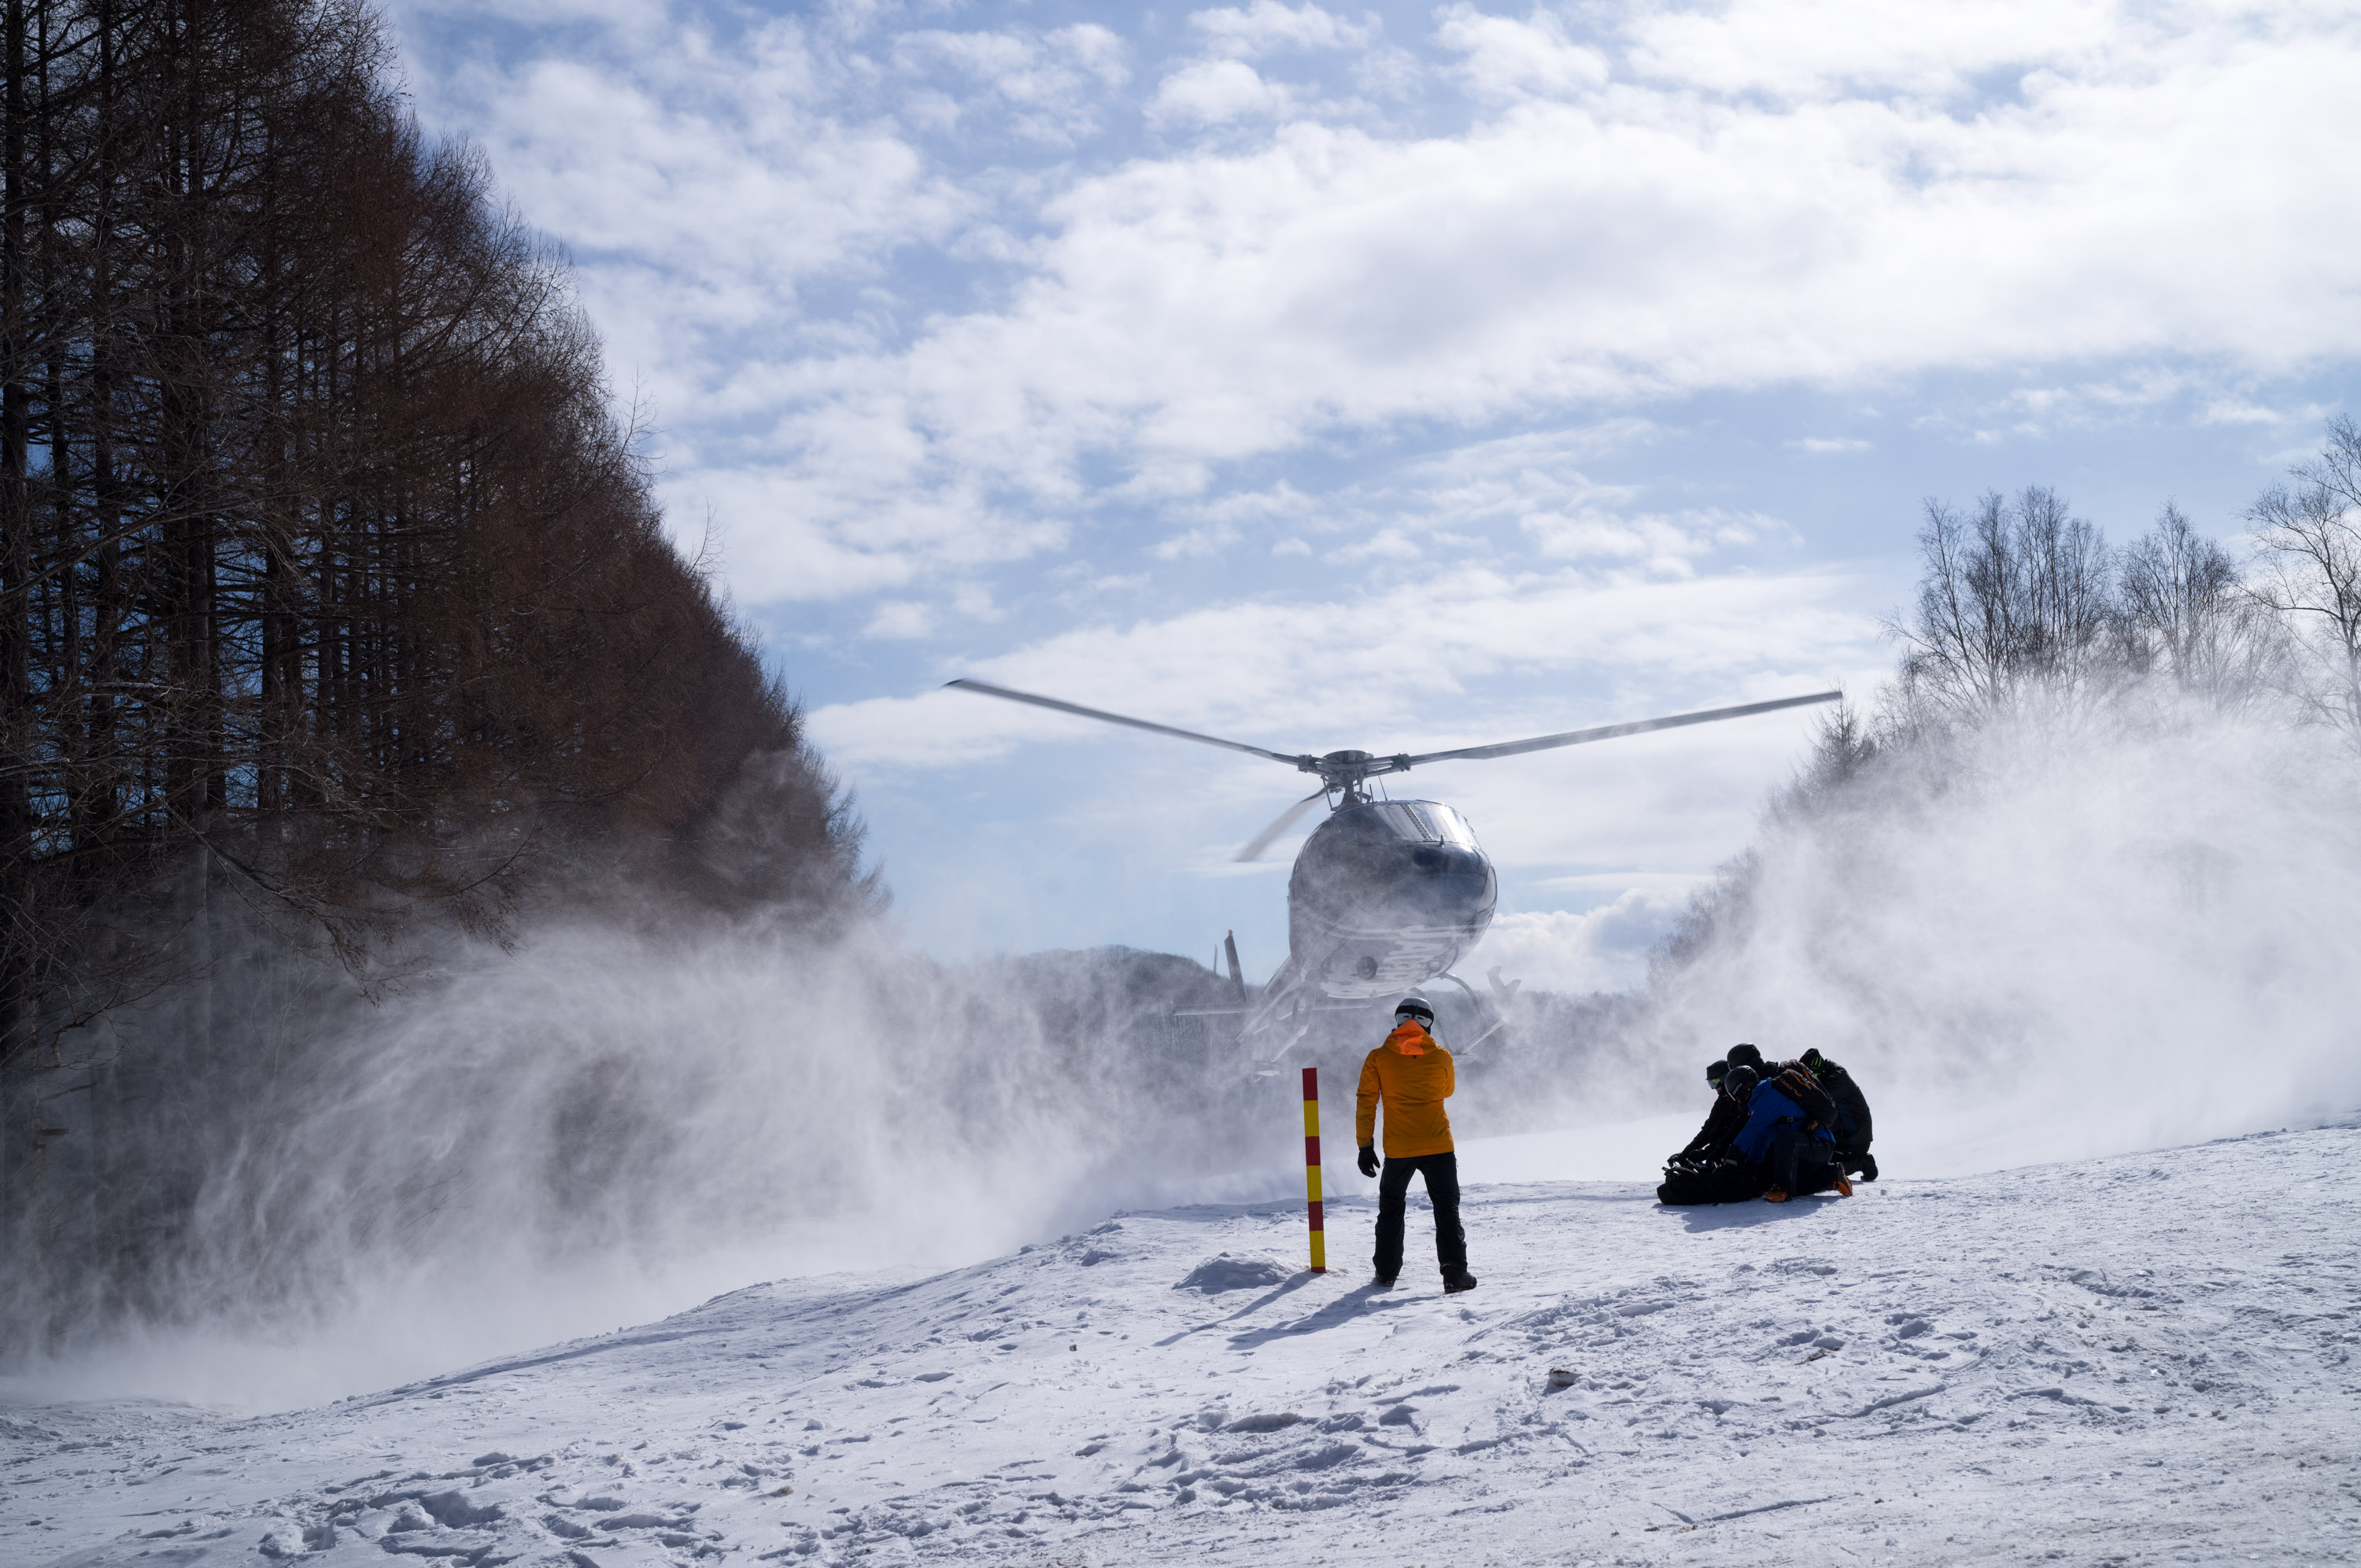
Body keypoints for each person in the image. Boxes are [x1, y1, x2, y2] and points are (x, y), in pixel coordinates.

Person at [1356, 995, 1476, 1293]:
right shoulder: (1442, 1057)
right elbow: (1446, 1091)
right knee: (1446, 1208)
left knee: (1391, 1208)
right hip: (1438, 1144)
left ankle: (1386, 1273)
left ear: (1397, 1021)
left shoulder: (1377, 1058)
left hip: (1398, 1149)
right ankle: (1454, 1274)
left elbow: (1366, 1103)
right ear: (1429, 1024)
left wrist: (1364, 1146)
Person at [1727, 1064, 1849, 1202]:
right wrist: (1752, 1165)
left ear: (1741, 1089)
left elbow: (1751, 1130)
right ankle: (1832, 1176)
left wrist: (1733, 1153)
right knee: (1792, 1187)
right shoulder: (1759, 1103)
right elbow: (1760, 1139)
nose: (1736, 1099)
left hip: (1820, 1145)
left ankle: (1782, 1189)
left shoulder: (1769, 1097)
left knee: (1785, 1139)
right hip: (1803, 1150)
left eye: (1734, 1094)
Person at [1798, 1047, 1877, 1181]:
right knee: (1810, 1159)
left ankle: (1863, 1162)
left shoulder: (1837, 1079)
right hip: (1844, 1135)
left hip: (1854, 1140)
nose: (1811, 1081)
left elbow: (1819, 1102)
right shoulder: (1830, 1074)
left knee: (1820, 1169)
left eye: (1811, 1077)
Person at [1670, 1058, 1746, 1167]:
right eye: (1711, 1084)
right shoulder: (1721, 1103)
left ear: (1726, 1079)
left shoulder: (1740, 1100)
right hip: (1719, 1151)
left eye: (1716, 1082)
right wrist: (1684, 1154)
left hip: (1736, 1154)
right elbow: (1708, 1129)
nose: (1715, 1088)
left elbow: (1734, 1132)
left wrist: (1708, 1152)